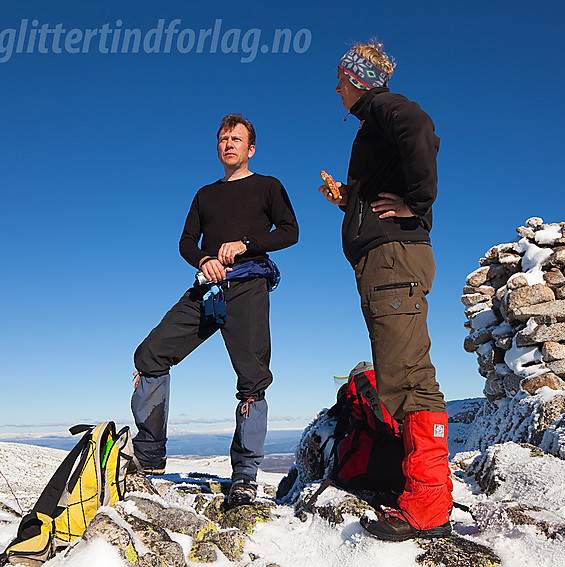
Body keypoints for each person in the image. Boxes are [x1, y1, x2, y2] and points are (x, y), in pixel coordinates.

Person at [318, 42, 453, 540]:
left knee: (410, 376)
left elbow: (421, 130)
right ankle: (421, 491)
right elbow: (378, 194)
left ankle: (429, 504)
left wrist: (417, 203)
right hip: (386, 259)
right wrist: (347, 202)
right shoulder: (372, 123)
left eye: (339, 78)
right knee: (401, 372)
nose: (336, 87)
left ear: (358, 77)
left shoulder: (385, 108)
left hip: (394, 259)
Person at [133, 113, 298, 507]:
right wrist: (205, 258)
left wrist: (245, 244)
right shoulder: (204, 194)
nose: (229, 144)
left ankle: (244, 475)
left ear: (250, 148)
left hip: (248, 288)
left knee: (252, 378)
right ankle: (149, 456)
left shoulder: (268, 186)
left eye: (236, 139)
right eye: (223, 139)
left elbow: (290, 232)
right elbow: (186, 242)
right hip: (208, 288)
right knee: (150, 354)